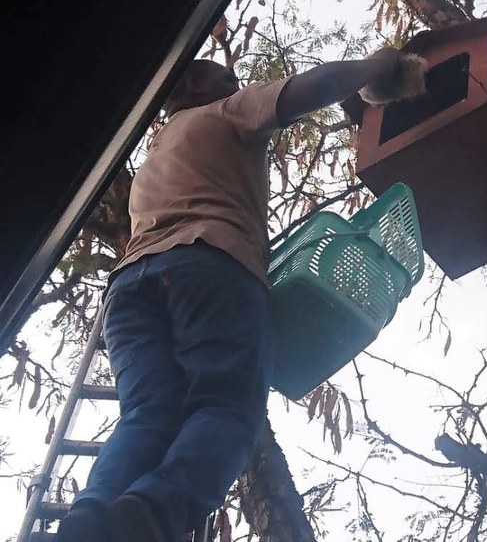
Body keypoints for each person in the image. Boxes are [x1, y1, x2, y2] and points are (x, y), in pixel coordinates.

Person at [55, 46, 406, 542]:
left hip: (130, 288)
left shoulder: (158, 155)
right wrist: (376, 67)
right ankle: (153, 513)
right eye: (230, 77)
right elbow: (307, 89)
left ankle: (88, 517)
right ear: (197, 85)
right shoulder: (221, 112)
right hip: (208, 263)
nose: (239, 85)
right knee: (226, 409)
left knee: (147, 414)